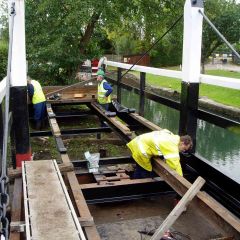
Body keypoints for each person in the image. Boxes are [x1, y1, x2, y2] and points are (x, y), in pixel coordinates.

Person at [127, 129, 193, 179]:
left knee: (140, 167)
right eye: (184, 149)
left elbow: (164, 131)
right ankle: (136, 186)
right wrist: (180, 177)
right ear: (182, 143)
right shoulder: (172, 146)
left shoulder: (173, 137)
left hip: (137, 142)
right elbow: (174, 165)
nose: (183, 151)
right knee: (144, 171)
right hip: (141, 150)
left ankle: (134, 178)